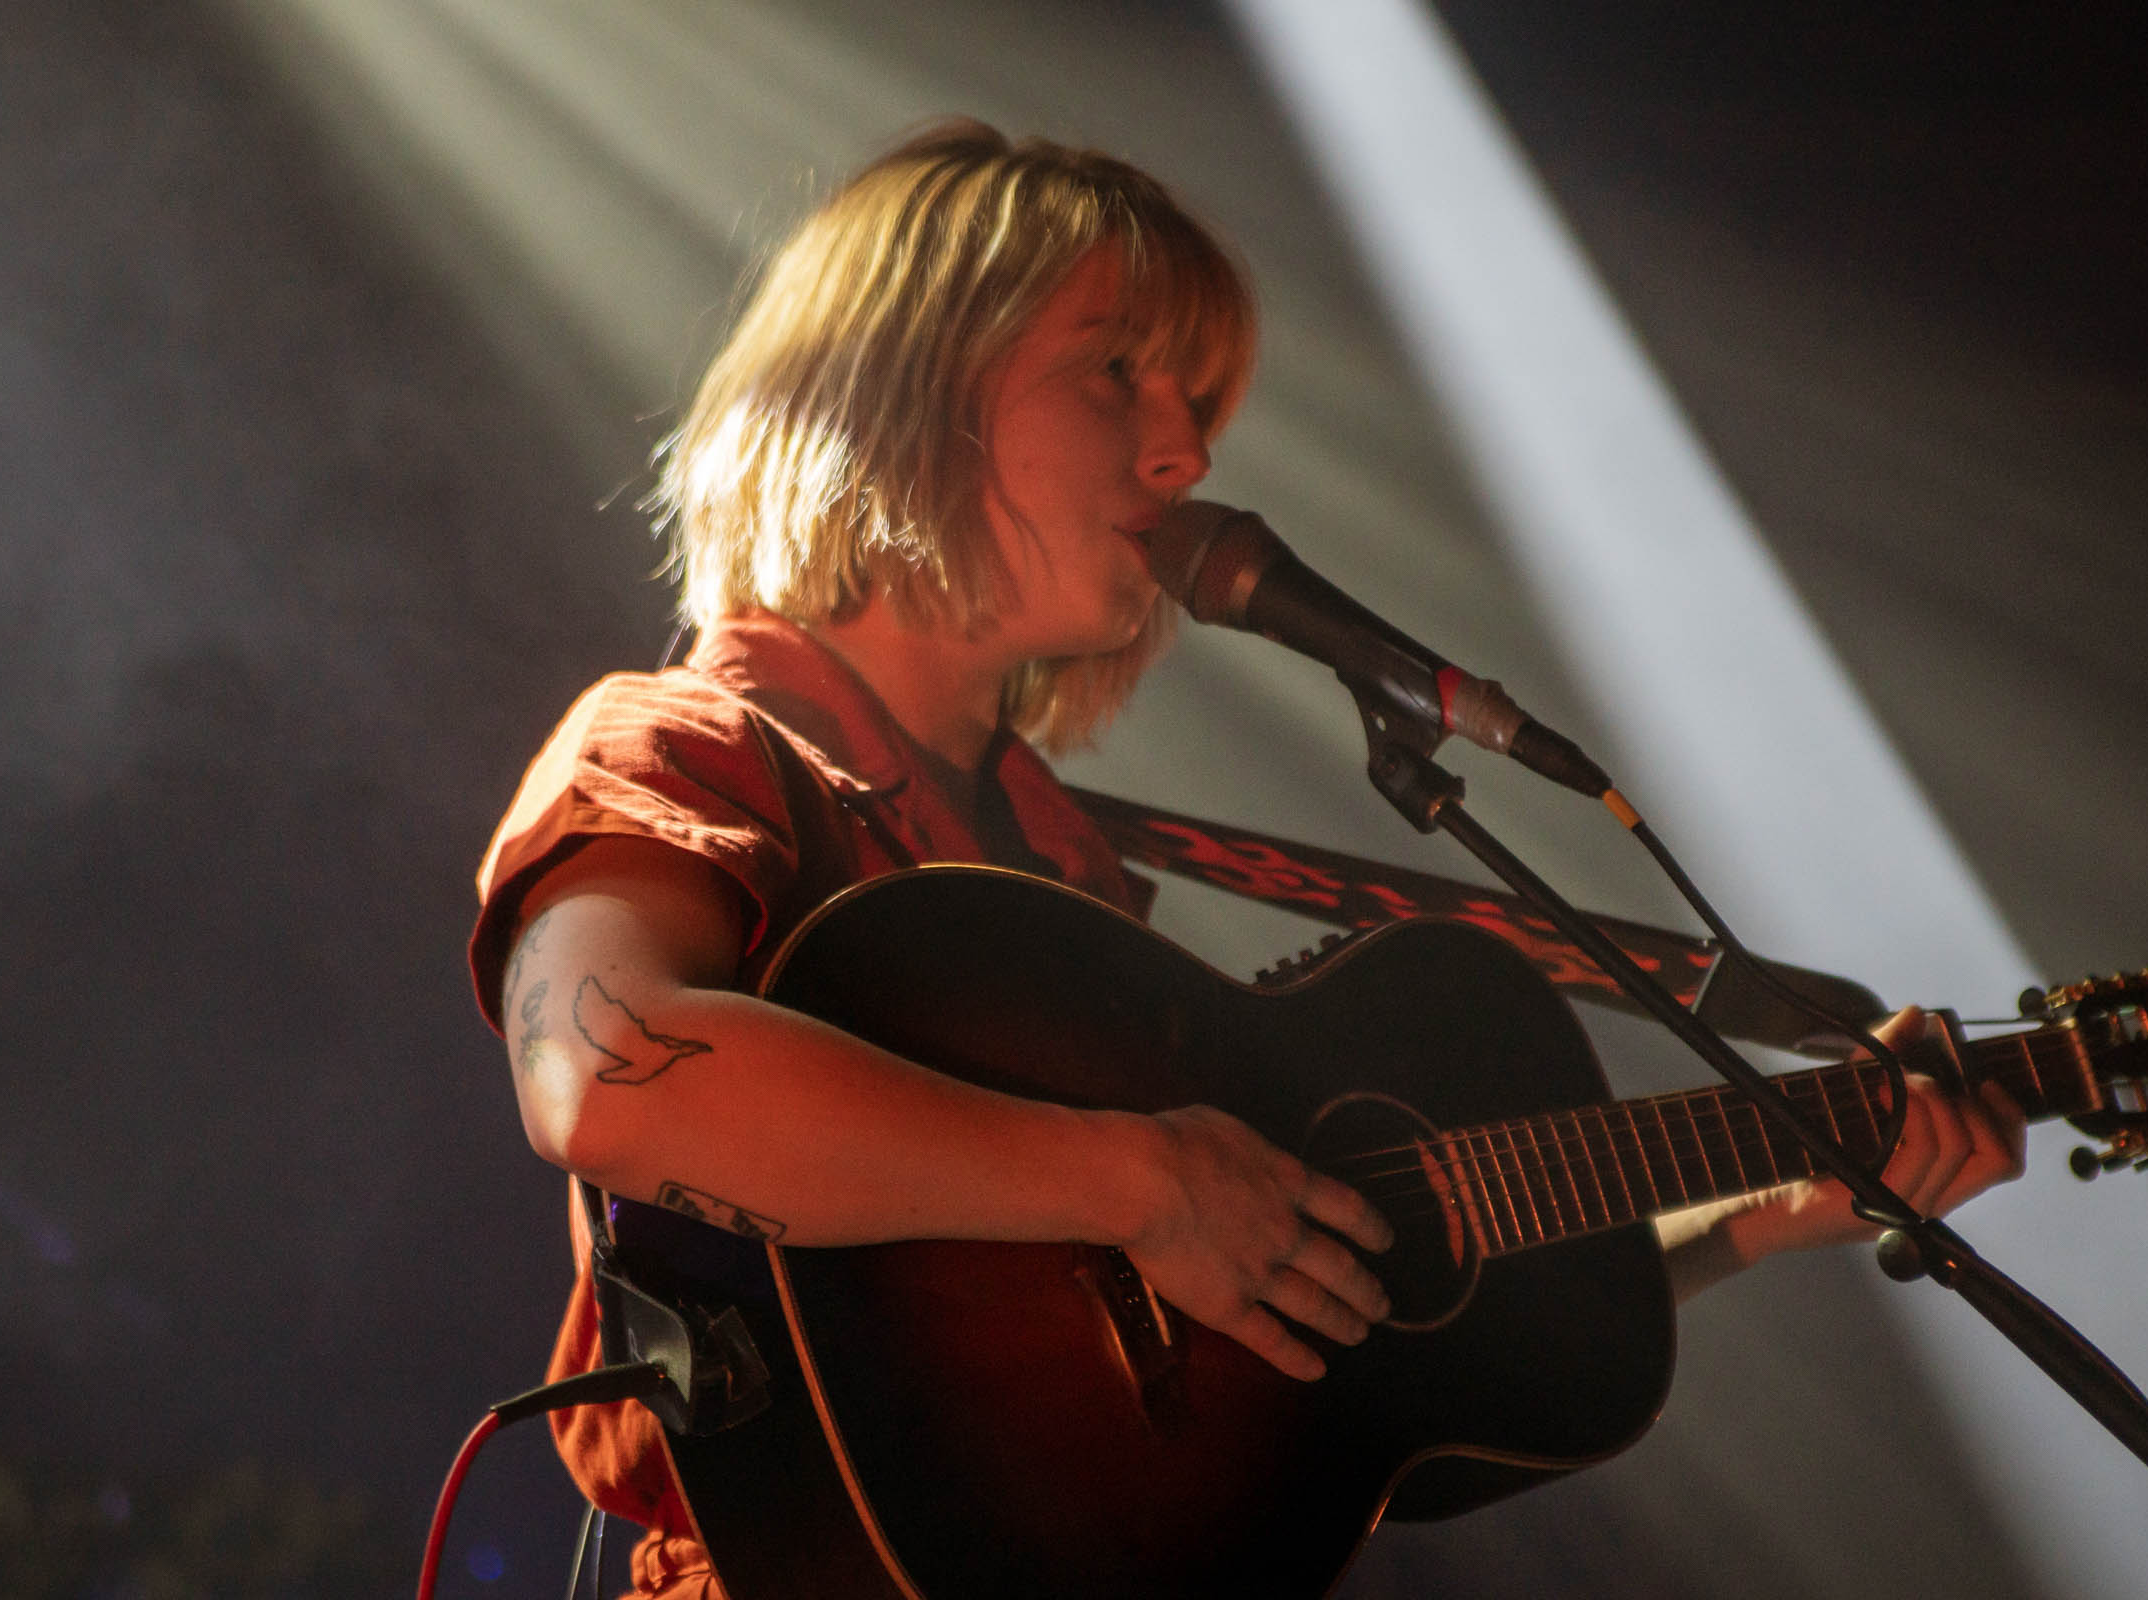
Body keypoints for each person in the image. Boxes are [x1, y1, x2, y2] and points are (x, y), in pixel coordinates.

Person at [469, 120, 2027, 1600]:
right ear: (906, 382)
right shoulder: (692, 743)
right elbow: (603, 1080)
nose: (1184, 451)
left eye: (1199, 405)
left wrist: (1775, 1188)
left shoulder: (1066, 868)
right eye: (1118, 373)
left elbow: (1306, 1308)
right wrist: (1136, 1177)